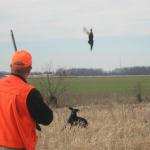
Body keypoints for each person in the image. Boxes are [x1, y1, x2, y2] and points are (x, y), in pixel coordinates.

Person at [0, 50, 53, 150]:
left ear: (11, 66)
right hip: (18, 146)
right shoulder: (29, 92)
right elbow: (47, 118)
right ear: (29, 69)